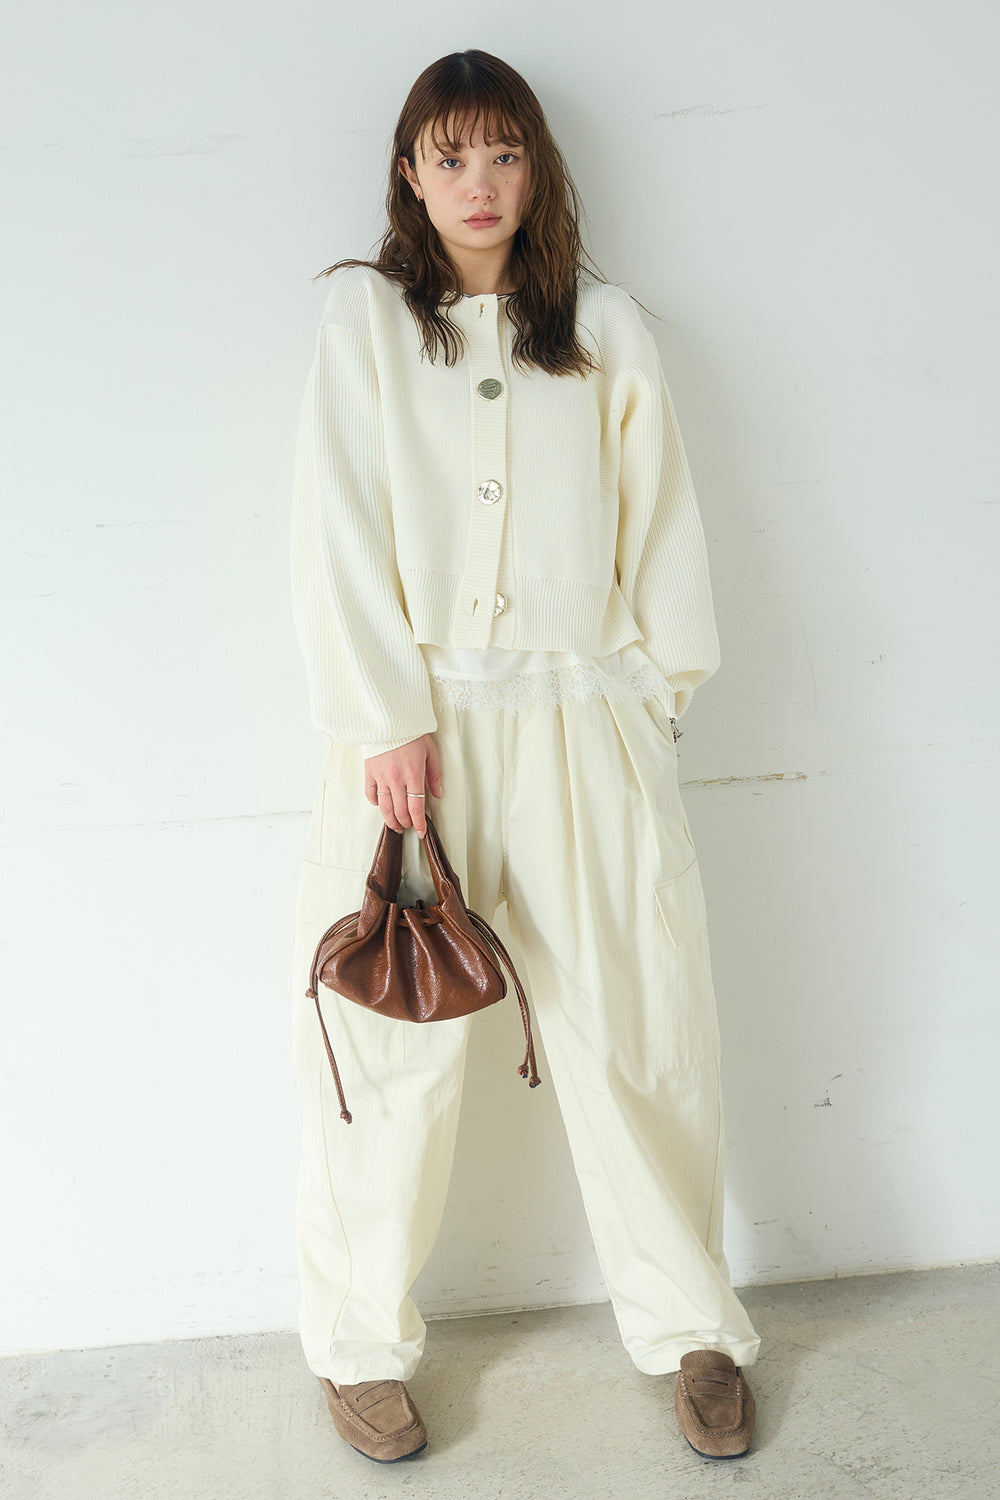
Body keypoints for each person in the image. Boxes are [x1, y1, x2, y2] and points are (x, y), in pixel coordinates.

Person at [289, 47, 761, 1467]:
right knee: (392, 1047)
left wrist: (649, 703)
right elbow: (336, 523)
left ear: (536, 168)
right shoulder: (369, 321)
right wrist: (386, 718)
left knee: (637, 1027)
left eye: (503, 153)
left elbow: (663, 523)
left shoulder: (604, 329)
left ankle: (694, 1327)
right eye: (450, 157)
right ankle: (358, 1345)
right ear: (409, 175)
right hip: (417, 742)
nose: (479, 183)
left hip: (584, 718)